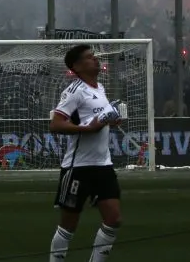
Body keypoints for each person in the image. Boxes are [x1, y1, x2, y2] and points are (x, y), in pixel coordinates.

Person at [47, 44, 125, 262]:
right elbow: (55, 124)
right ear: (77, 66)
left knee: (114, 219)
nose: (96, 60)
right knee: (68, 227)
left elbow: (96, 118)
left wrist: (112, 120)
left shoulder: (99, 88)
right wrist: (87, 129)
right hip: (78, 168)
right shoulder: (74, 91)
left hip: (103, 165)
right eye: (90, 58)